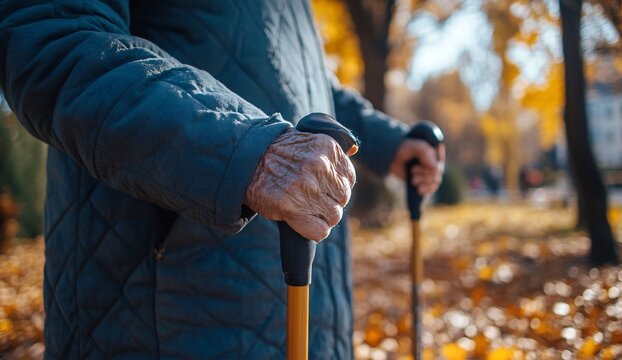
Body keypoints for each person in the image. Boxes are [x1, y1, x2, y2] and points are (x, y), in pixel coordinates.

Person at [0, 1, 444, 358]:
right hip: (165, 314)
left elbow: (292, 72)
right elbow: (53, 38)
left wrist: (388, 143)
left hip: (301, 301)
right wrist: (247, 149)